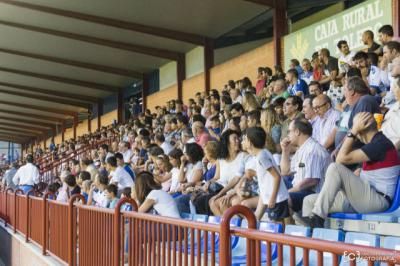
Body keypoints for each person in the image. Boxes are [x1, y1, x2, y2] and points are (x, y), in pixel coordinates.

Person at [303, 112, 400, 228]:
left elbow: (340, 160)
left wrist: (353, 131)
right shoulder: (376, 144)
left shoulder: (380, 144)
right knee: (308, 201)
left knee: (335, 168)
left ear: (360, 130)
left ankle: (318, 217)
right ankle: (313, 241)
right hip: (363, 197)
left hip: (378, 200)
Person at [280, 119, 331, 214]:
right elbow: (285, 172)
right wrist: (285, 151)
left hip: (315, 194)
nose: (288, 135)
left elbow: (311, 181)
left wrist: (287, 192)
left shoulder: (312, 150)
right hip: (302, 189)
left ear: (297, 132)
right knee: (276, 183)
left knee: (283, 199)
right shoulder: (303, 149)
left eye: (289, 131)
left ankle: (287, 227)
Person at [244, 127, 289, 221]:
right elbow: (265, 173)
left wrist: (272, 198)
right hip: (270, 196)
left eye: (245, 139)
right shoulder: (262, 153)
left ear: (250, 143)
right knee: (281, 223)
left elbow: (277, 177)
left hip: (276, 198)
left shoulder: (262, 157)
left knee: (277, 225)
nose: (243, 141)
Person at [382, 77, 400, 150]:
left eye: (395, 87)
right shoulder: (396, 104)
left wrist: (391, 153)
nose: (392, 90)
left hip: (389, 150)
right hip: (378, 141)